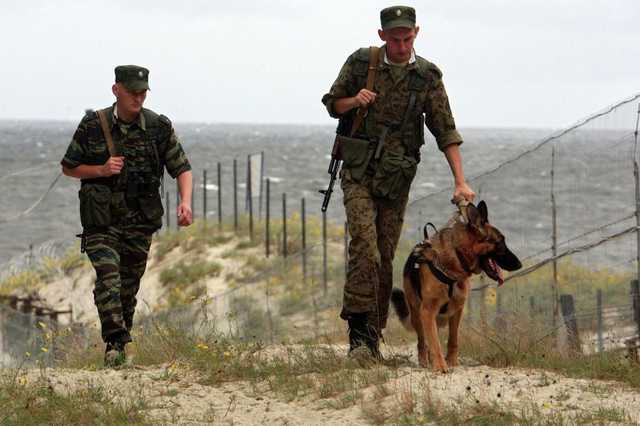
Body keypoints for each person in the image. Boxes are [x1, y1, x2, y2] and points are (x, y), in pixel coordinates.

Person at [321, 6, 475, 359]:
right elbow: (332, 104)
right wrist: (353, 100)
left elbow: (445, 130)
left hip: (396, 180)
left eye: (407, 38)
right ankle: (359, 338)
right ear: (382, 36)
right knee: (365, 247)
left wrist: (460, 181)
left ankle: (374, 335)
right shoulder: (362, 63)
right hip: (358, 174)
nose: (402, 45)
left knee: (385, 257)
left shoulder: (427, 77)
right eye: (395, 38)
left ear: (416, 33)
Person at [61, 65, 193, 367]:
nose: (138, 98)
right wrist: (101, 170)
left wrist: (185, 203)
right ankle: (116, 344)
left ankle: (117, 348)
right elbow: (69, 167)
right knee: (108, 276)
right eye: (132, 92)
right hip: (101, 223)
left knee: (127, 288)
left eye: (142, 92)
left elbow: (182, 168)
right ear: (116, 90)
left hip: (139, 223)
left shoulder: (158, 127)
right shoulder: (93, 125)